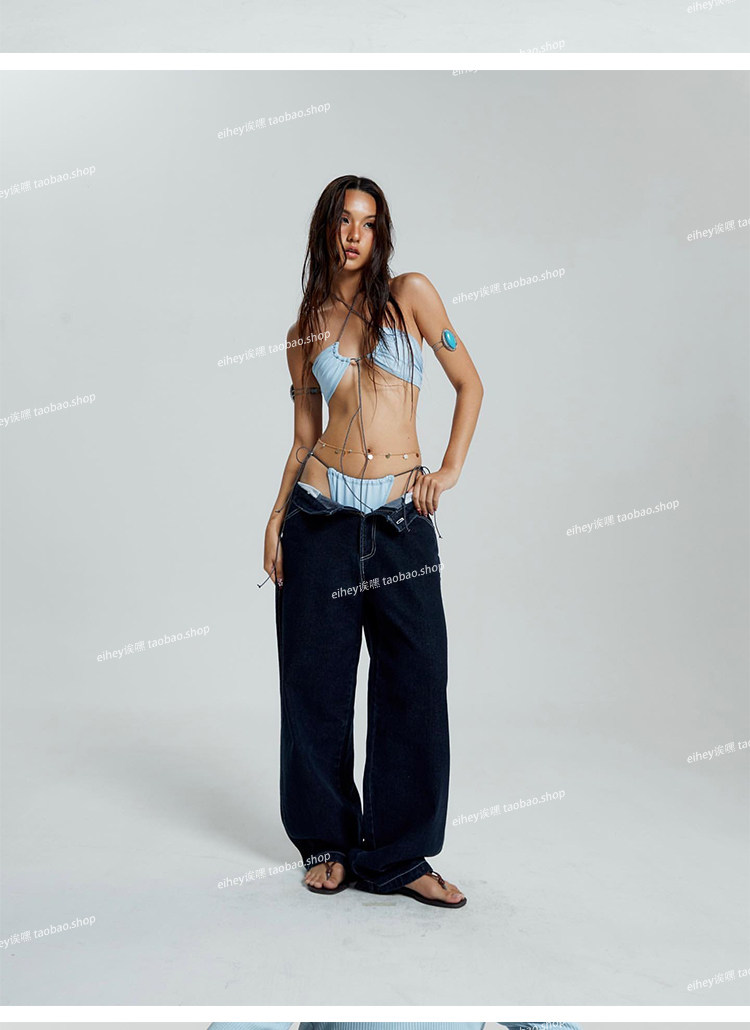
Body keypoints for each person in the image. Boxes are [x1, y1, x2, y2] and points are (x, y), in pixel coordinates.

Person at [260, 174, 483, 908]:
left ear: (380, 233)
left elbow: (470, 384)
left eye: (368, 221)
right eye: (343, 220)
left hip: (399, 519)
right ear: (326, 228)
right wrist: (274, 519)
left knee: (415, 681)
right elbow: (303, 435)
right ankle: (325, 842)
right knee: (315, 684)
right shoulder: (305, 330)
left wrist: (447, 471)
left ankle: (398, 855)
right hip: (320, 516)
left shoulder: (411, 297)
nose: (355, 234)